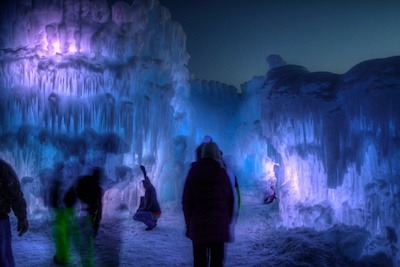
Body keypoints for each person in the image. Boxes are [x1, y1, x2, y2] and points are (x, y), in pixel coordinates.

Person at [182, 142, 234, 267]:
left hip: (199, 225)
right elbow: (230, 201)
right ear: (216, 155)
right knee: (217, 262)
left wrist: (189, 223)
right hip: (219, 226)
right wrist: (226, 222)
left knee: (200, 262)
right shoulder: (222, 174)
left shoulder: (193, 173)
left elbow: (186, 202)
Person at [0, 158, 29, 267]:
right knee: (4, 259)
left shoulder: (2, 168)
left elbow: (15, 195)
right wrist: (22, 218)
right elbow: (15, 195)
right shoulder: (2, 167)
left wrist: (22, 218)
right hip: (1, 220)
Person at [133, 165, 162, 231]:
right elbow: (146, 177)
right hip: (154, 212)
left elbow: (147, 206)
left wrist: (140, 209)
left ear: (148, 184)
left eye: (145, 185)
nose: (144, 186)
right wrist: (143, 170)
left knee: (136, 216)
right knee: (137, 214)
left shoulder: (151, 191)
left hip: (155, 212)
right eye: (143, 185)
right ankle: (153, 220)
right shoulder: (148, 189)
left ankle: (152, 224)